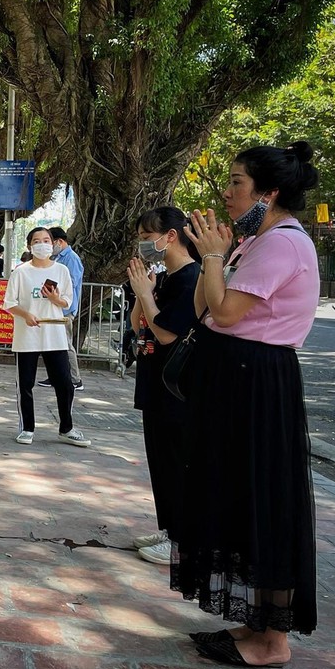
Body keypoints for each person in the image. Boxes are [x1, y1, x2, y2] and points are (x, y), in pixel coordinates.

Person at [175, 142, 320, 669]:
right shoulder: (252, 243)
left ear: (270, 192)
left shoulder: (283, 244)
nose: (228, 192)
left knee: (264, 502)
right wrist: (211, 256)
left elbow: (229, 311)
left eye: (238, 182)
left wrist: (213, 258)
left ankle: (272, 642)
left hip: (257, 384)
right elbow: (203, 305)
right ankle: (254, 623)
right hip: (233, 383)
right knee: (237, 499)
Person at [125, 207, 199, 565]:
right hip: (154, 381)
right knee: (160, 461)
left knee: (177, 462)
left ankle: (183, 540)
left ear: (170, 236)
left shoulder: (191, 278)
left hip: (177, 387)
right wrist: (144, 292)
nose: (142, 244)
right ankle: (168, 528)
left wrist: (145, 292)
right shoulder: (165, 277)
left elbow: (167, 332)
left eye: (145, 236)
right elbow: (138, 320)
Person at [3, 226, 88, 448]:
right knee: (25, 384)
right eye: (37, 241)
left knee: (65, 383)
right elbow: (9, 303)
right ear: (30, 246)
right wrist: (26, 314)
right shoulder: (21, 272)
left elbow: (68, 302)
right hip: (27, 335)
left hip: (54, 334)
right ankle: (27, 428)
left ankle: (66, 428)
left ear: (54, 244)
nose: (43, 244)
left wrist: (56, 299)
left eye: (47, 240)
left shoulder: (61, 271)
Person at [39, 227, 85, 390]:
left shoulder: (71, 259)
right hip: (55, 307)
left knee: (65, 344)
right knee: (54, 345)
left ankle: (75, 379)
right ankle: (55, 375)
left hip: (64, 309)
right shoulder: (57, 258)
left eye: (49, 242)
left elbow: (70, 284)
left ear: (59, 241)